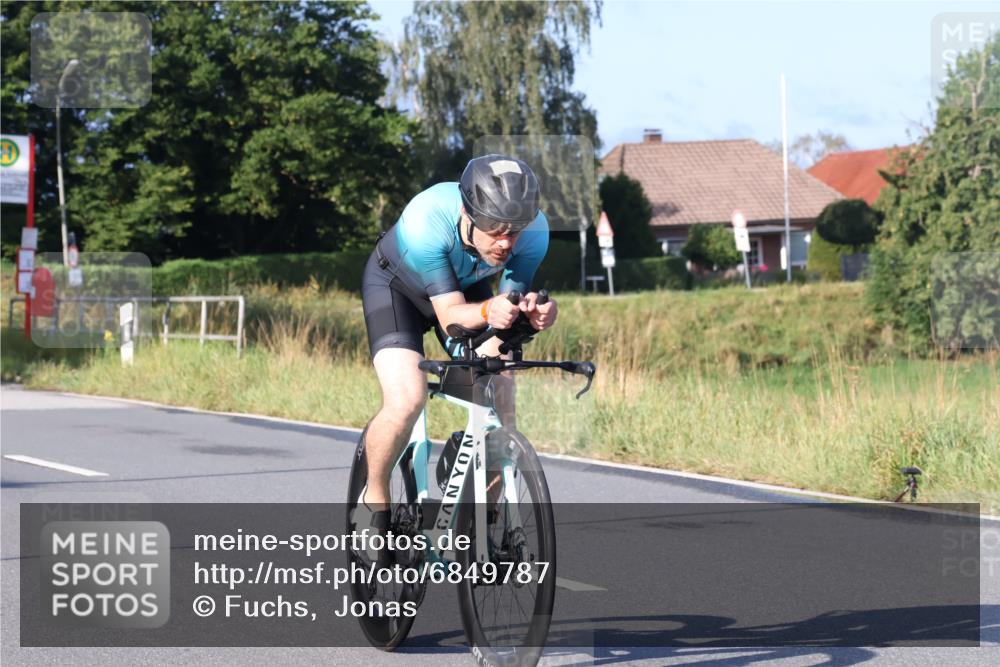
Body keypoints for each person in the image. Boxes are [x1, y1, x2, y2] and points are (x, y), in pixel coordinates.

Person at [355, 154, 558, 558]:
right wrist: (489, 311)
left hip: (467, 294)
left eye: (514, 232)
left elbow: (510, 309)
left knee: (500, 389)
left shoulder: (535, 233)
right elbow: (451, 320)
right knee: (407, 397)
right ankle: (371, 503)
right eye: (496, 230)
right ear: (468, 212)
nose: (506, 243)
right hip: (397, 290)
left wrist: (531, 318)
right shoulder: (425, 219)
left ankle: (487, 519)